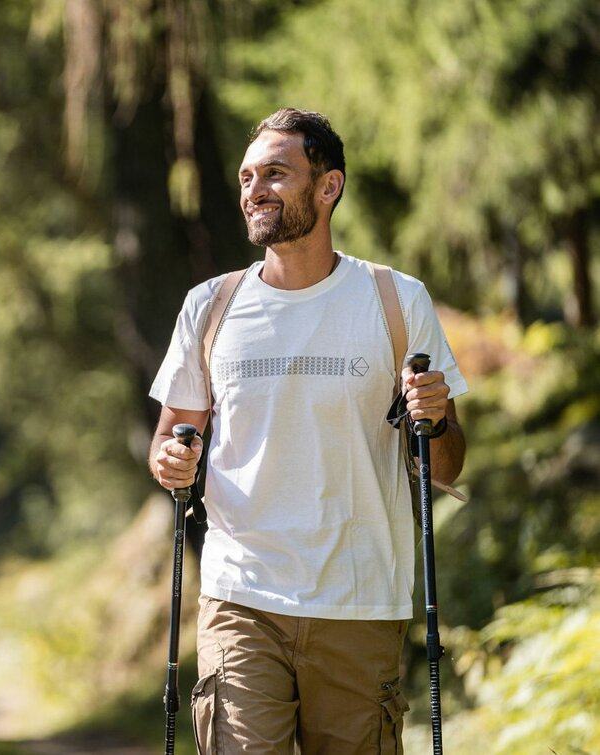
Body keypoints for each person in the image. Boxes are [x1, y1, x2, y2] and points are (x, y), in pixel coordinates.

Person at [148, 108, 467, 753]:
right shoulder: (210, 306)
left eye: (275, 173)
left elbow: (448, 465)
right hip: (242, 597)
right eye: (246, 176)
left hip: (360, 602)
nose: (253, 190)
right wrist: (172, 463)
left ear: (329, 187)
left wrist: (431, 420)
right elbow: (171, 442)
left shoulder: (397, 301)